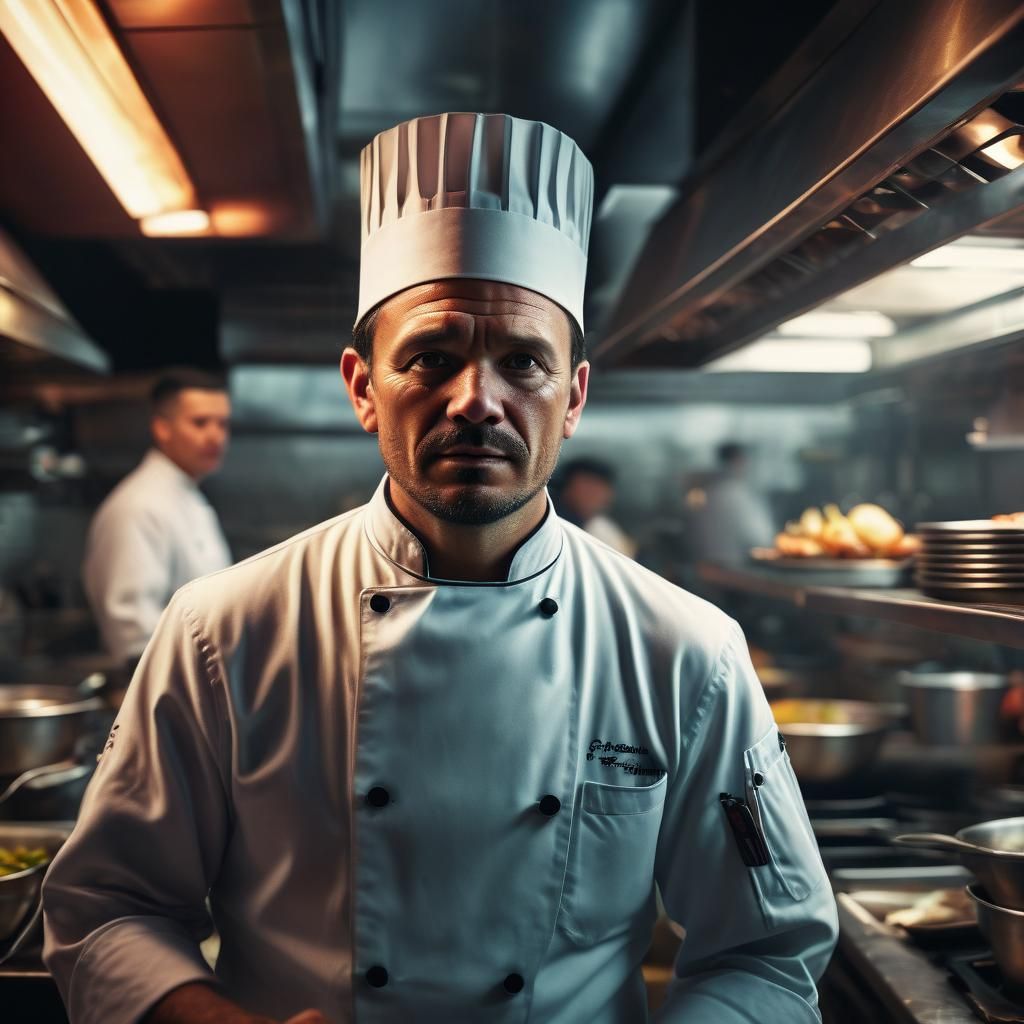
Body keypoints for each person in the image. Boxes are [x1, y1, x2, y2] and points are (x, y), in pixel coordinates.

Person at [43, 113, 837, 1024]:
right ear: (362, 387)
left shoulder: (688, 652)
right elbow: (106, 911)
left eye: (523, 362)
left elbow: (766, 952)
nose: (477, 401)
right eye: (431, 357)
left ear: (574, 397)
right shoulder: (220, 631)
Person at [81, 369, 232, 665]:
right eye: (200, 423)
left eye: (223, 424)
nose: (216, 436)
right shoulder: (139, 505)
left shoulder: (188, 496)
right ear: (162, 428)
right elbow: (132, 633)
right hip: (165, 682)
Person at [688, 442, 775, 565]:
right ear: (738, 461)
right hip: (734, 568)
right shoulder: (737, 496)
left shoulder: (707, 494)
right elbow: (761, 539)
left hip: (706, 567)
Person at [556, 458, 636, 556]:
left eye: (599, 488)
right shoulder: (552, 522)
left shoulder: (605, 529)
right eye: (587, 484)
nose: (593, 494)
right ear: (567, 489)